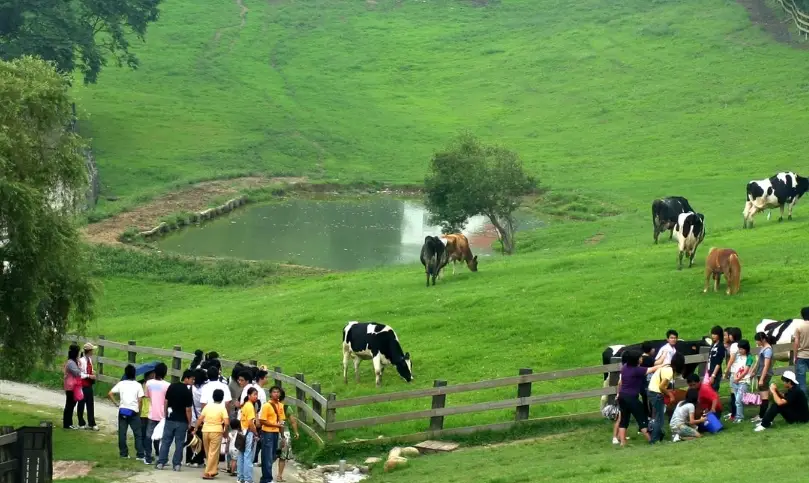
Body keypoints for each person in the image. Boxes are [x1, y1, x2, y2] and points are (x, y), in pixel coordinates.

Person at [613, 350, 660, 446]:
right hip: (632, 398)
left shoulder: (625, 367)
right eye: (640, 357)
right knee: (642, 419)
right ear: (636, 360)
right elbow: (652, 369)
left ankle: (622, 442)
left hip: (622, 396)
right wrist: (665, 365)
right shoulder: (637, 370)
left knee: (624, 420)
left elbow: (620, 382)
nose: (641, 358)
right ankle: (652, 441)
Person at [156, 370, 195, 471]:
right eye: (192, 379)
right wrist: (189, 422)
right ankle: (177, 464)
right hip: (182, 421)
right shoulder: (187, 392)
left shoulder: (172, 386)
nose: (193, 381)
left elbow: (166, 401)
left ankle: (161, 462)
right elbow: (188, 410)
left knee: (166, 441)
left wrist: (166, 414)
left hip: (170, 418)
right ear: (186, 378)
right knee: (179, 443)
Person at [109, 364, 145, 460]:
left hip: (123, 410)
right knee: (137, 433)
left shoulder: (121, 383)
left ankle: (123, 453)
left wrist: (116, 403)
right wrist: (139, 411)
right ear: (134, 374)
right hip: (134, 411)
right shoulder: (138, 385)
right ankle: (140, 454)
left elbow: (110, 393)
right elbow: (140, 400)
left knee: (122, 433)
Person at [647, 352, 684, 444]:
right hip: (656, 393)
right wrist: (671, 395)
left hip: (652, 392)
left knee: (658, 417)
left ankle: (658, 438)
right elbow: (661, 386)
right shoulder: (669, 371)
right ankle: (654, 440)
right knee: (659, 419)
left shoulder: (666, 367)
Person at [194, 388, 230, 480]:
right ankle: (208, 472)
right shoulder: (222, 408)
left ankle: (213, 470)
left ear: (213, 397)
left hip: (205, 430)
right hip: (216, 430)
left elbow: (200, 419)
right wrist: (225, 432)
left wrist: (195, 428)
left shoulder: (207, 406)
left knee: (208, 452)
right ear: (222, 398)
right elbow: (226, 423)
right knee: (213, 452)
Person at [144, 362, 170, 465]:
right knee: (162, 437)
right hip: (163, 414)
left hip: (152, 413)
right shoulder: (167, 385)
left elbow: (147, 396)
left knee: (148, 436)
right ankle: (161, 457)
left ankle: (148, 457)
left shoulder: (149, 383)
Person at [258, 386, 284, 483]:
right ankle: (267, 478)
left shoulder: (280, 405)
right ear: (270, 394)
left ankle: (266, 477)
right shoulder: (267, 406)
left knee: (273, 456)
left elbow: (281, 421)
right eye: (274, 392)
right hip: (267, 432)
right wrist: (275, 425)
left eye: (278, 392)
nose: (276, 394)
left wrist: (283, 436)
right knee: (267, 456)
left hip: (276, 432)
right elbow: (262, 420)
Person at [751, 332, 775, 424]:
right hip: (760, 374)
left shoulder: (768, 350)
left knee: (764, 396)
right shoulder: (763, 348)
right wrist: (754, 371)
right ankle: (761, 415)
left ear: (763, 339)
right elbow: (758, 362)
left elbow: (766, 365)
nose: (756, 342)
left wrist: (761, 378)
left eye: (757, 340)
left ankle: (762, 416)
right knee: (762, 395)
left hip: (764, 375)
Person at [276, 389, 300, 482]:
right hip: (285, 433)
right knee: (283, 456)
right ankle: (279, 476)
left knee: (271, 455)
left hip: (272, 431)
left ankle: (267, 474)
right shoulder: (286, 408)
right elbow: (293, 421)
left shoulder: (269, 406)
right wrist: (296, 432)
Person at [187, 368, 208, 468]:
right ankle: (198, 460)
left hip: (192, 417)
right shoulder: (205, 390)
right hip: (202, 418)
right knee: (200, 440)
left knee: (191, 439)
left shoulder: (190, 388)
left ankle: (189, 459)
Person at [728, 339, 753, 423]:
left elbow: (746, 371)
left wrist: (738, 379)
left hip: (744, 381)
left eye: (742, 349)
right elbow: (735, 367)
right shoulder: (738, 356)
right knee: (737, 399)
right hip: (736, 380)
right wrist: (735, 377)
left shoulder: (749, 358)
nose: (740, 350)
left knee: (738, 400)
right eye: (739, 349)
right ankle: (738, 415)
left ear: (746, 349)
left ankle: (739, 417)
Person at [238, 388, 259, 483]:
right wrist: (255, 433)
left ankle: (240, 477)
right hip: (248, 432)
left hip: (242, 431)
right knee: (248, 456)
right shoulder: (250, 406)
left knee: (241, 455)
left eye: (257, 394)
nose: (256, 396)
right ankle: (248, 479)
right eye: (254, 394)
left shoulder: (245, 405)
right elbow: (251, 422)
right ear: (249, 395)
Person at [77, 342, 98, 431]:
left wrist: (92, 372)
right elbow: (79, 374)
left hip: (89, 384)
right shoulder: (81, 361)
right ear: (89, 351)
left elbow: (90, 369)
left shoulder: (89, 359)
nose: (93, 352)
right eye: (92, 350)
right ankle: (81, 422)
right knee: (81, 404)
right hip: (82, 385)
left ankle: (91, 422)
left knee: (90, 404)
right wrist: (89, 376)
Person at [723, 327, 742, 419]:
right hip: (741, 371)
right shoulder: (741, 344)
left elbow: (731, 359)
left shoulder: (734, 346)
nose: (728, 336)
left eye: (729, 335)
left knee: (734, 393)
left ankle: (735, 414)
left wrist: (726, 370)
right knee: (737, 393)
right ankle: (735, 413)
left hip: (734, 371)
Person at [62, 344, 81, 430]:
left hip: (72, 386)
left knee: (71, 404)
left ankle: (69, 423)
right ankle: (67, 423)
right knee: (70, 405)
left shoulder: (73, 362)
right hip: (71, 386)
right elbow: (77, 373)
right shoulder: (71, 363)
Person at [793, 307, 809, 396]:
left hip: (802, 356)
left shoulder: (799, 327)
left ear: (802, 315)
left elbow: (796, 343)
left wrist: (795, 356)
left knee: (801, 380)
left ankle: (804, 400)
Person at [707, 325, 725, 392]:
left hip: (715, 373)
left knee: (713, 392)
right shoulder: (713, 345)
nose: (713, 336)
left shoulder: (720, 346)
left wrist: (713, 375)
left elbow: (718, 363)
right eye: (712, 334)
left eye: (715, 334)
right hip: (710, 371)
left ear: (719, 335)